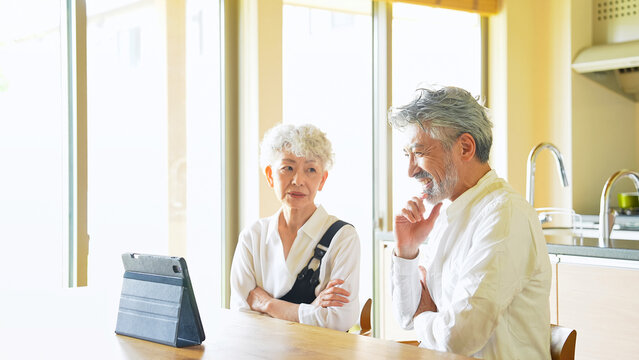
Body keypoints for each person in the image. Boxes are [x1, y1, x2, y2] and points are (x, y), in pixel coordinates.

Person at [389, 86, 551, 359]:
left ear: (465, 147)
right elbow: (406, 317)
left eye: (418, 153)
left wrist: (425, 313)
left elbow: (458, 337)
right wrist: (407, 252)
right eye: (408, 155)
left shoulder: (504, 215)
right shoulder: (448, 214)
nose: (410, 170)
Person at [230, 123, 360, 331]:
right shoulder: (252, 236)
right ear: (270, 175)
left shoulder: (343, 237)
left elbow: (339, 320)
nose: (298, 180)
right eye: (288, 168)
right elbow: (241, 315)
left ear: (322, 179)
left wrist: (267, 304)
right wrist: (313, 309)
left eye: (310, 170)